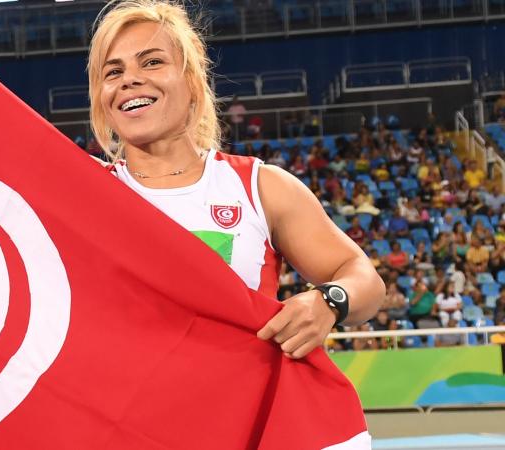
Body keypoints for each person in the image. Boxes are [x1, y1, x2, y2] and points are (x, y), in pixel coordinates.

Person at [87, 0, 384, 359]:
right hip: (122, 411)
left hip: (236, 410)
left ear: (193, 80)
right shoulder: (82, 189)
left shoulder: (260, 186)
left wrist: (328, 302)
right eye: (112, 72)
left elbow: (363, 277)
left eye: (152, 62)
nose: (129, 79)